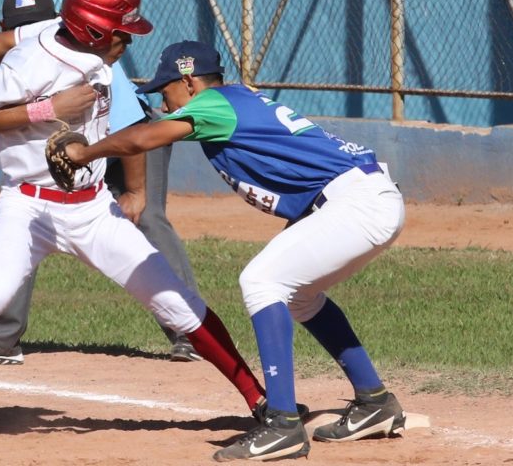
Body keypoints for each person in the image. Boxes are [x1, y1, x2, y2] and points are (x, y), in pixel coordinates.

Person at [0, 0, 268, 446]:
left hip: (92, 209)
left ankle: (261, 403)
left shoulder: (66, 33)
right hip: (29, 208)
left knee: (177, 302)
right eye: (122, 29)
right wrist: (39, 107)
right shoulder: (34, 60)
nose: (128, 39)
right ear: (95, 29)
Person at [62, 40, 408, 462]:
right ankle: (374, 402)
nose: (164, 101)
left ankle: (282, 424)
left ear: (189, 81)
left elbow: (143, 138)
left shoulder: (214, 104)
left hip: (358, 202)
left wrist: (84, 152)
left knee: (261, 281)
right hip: (361, 197)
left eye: (166, 90)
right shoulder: (238, 100)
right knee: (299, 296)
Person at [0, 0, 201, 366]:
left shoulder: (92, 59)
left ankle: (190, 331)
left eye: (39, 22)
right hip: (67, 159)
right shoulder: (6, 67)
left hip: (128, 144)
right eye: (21, 25)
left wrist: (133, 192)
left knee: (144, 216)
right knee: (1, 214)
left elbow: (128, 126)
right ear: (5, 28)